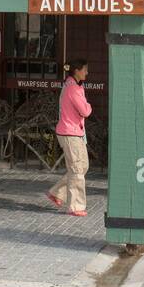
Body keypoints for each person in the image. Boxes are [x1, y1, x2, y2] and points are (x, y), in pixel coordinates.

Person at [48, 59, 91, 216]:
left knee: (82, 166)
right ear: (77, 71)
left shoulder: (71, 85)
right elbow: (85, 111)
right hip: (70, 132)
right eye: (85, 69)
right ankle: (75, 206)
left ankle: (57, 192)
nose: (86, 72)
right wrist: (89, 105)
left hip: (72, 132)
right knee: (77, 169)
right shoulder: (73, 88)